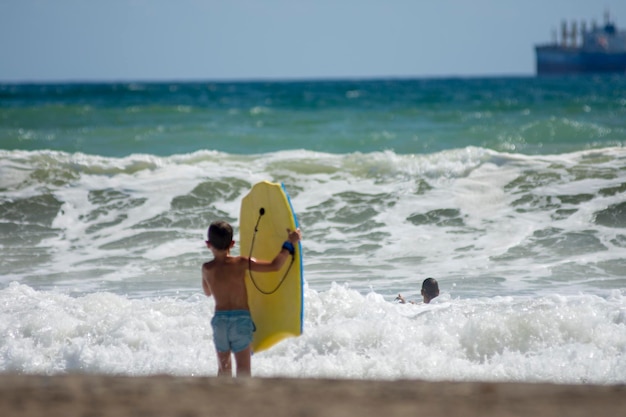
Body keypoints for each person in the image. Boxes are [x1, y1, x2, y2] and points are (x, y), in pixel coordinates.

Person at [201, 220, 302, 377]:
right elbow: (274, 266)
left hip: (219, 322)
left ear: (208, 244)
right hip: (240, 321)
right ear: (232, 243)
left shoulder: (206, 268)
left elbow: (207, 292)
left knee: (223, 370)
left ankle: (222, 399)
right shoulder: (240, 263)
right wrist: (289, 244)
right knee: (243, 372)